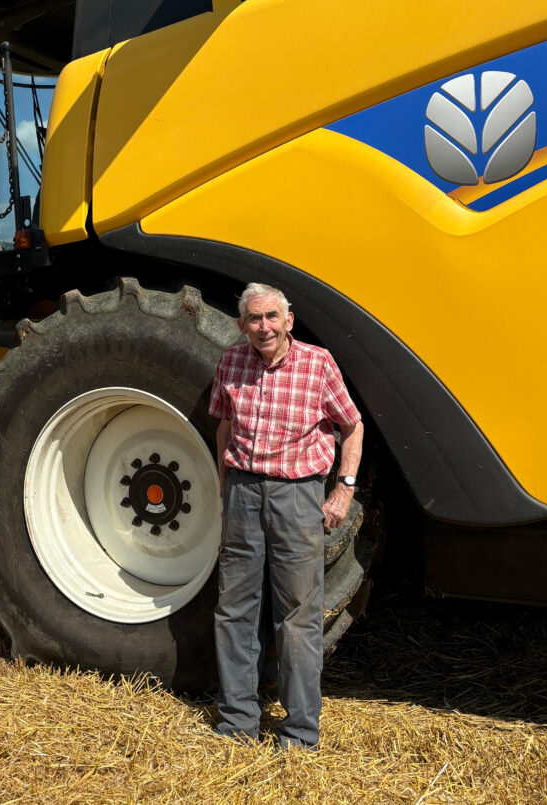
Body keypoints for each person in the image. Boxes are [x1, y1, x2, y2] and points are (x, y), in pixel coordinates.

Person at [209, 282, 363, 748]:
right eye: (254, 319)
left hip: (297, 498)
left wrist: (343, 488)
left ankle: (299, 732)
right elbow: (224, 426)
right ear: (241, 326)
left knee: (298, 615)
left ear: (288, 320)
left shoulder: (318, 364)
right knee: (234, 608)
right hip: (242, 492)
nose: (264, 327)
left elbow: (352, 426)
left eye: (272, 317)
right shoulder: (231, 362)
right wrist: (224, 483)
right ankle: (237, 721)